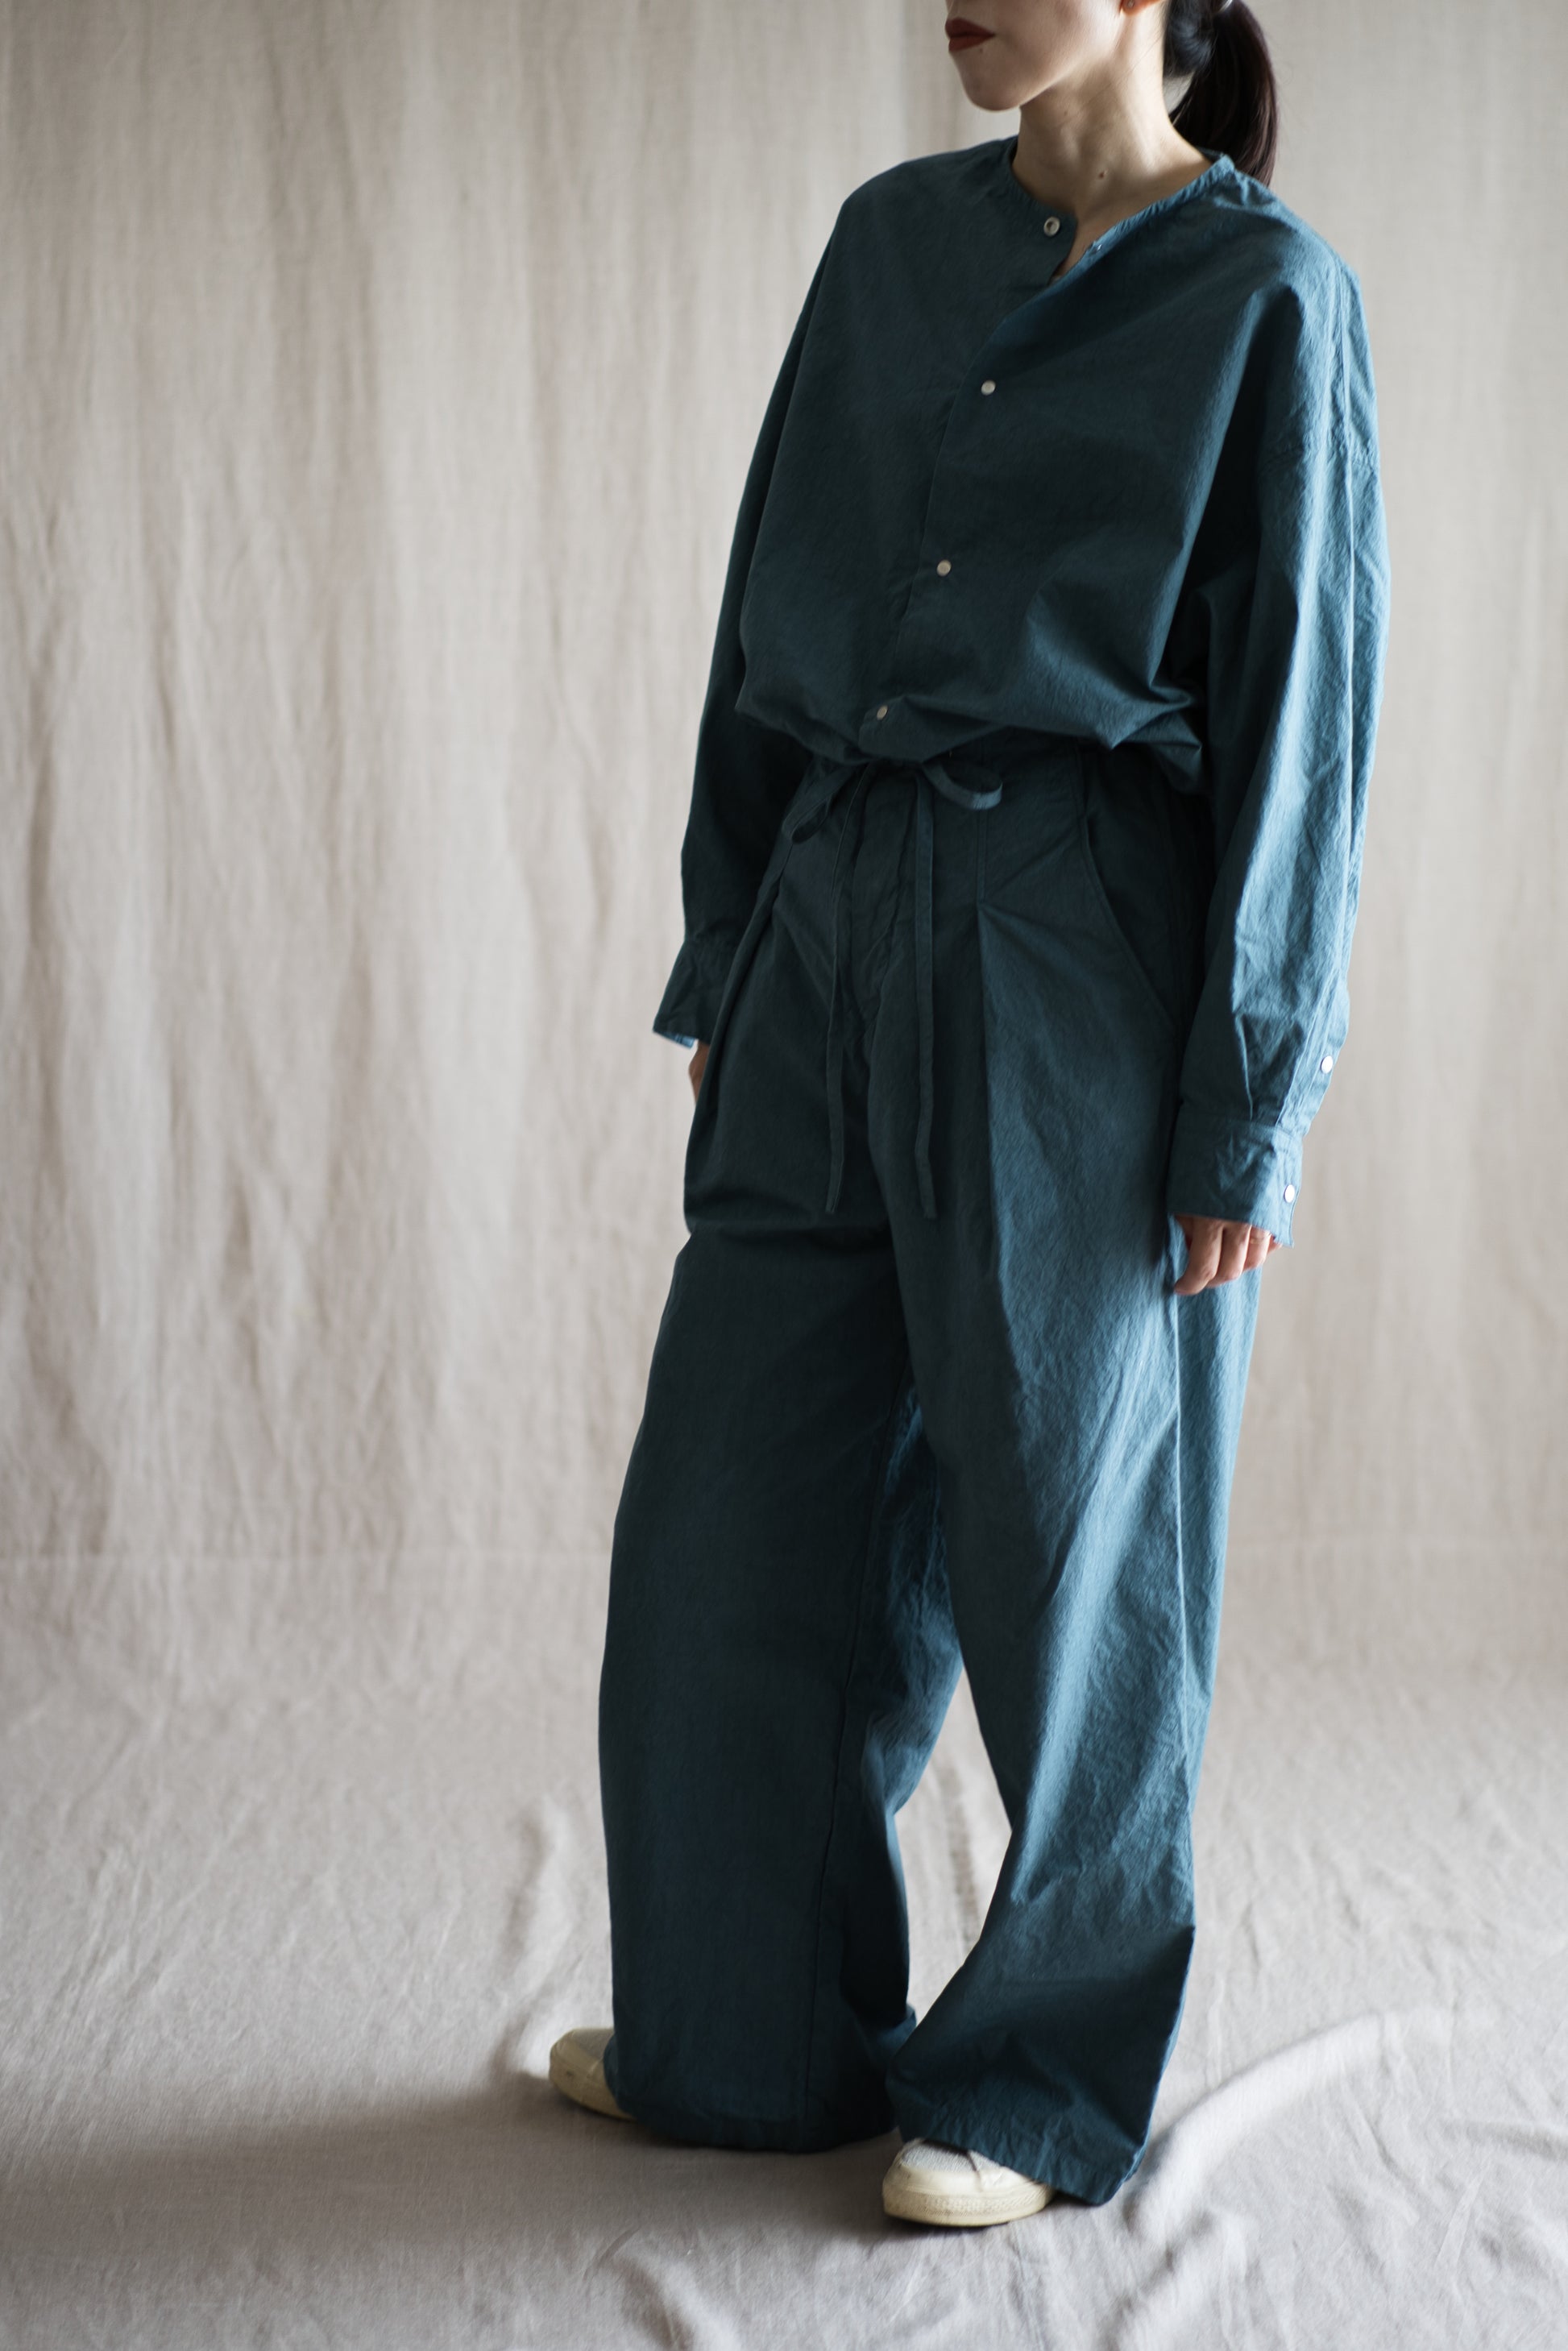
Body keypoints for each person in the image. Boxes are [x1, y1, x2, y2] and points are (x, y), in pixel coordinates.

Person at [550, 0, 1390, 2230]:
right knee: (726, 1526)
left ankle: (1034, 2084)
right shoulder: (885, 242)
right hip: (828, 921)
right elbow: (766, 595)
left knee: (1070, 1551)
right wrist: (735, 943)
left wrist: (1246, 1101)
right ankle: (746, 2043)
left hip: (1071, 956)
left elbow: (1302, 719)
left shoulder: (1268, 295)